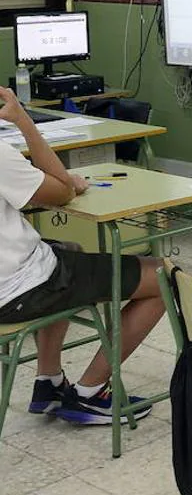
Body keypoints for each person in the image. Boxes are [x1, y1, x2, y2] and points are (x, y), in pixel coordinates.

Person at [0, 86, 165, 425]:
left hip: (11, 282)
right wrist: (24, 122)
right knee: (164, 276)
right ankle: (91, 392)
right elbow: (61, 192)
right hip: (15, 291)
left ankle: (49, 381)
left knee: (65, 250)